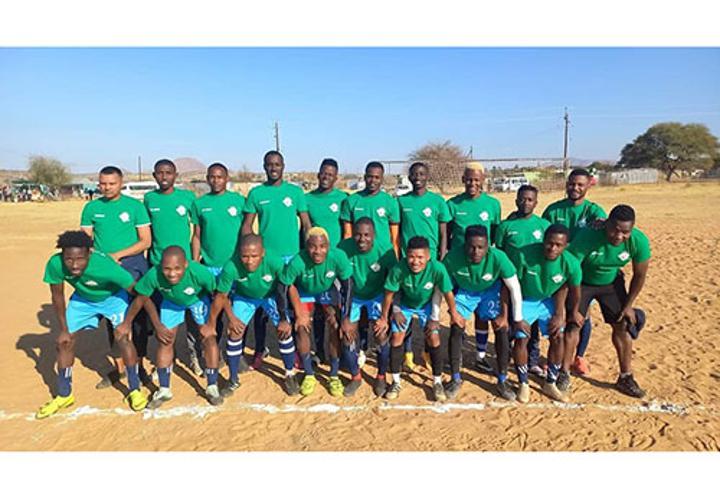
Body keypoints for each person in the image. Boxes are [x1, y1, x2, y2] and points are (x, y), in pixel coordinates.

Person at [36, 231, 148, 418]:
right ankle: (64, 395)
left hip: (113, 297)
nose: (74, 265)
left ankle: (135, 389)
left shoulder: (106, 266)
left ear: (89, 253)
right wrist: (64, 329)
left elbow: (138, 292)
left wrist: (128, 322)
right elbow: (57, 296)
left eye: (80, 259)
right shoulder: (55, 264)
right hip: (83, 300)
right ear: (62, 255)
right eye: (69, 259)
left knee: (123, 338)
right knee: (64, 342)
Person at [562, 204, 651, 398]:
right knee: (573, 325)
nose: (619, 236)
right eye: (615, 230)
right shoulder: (588, 236)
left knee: (623, 324)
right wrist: (574, 307)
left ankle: (625, 377)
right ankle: (564, 374)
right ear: (606, 224)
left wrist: (628, 306)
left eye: (625, 232)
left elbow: (639, 275)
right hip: (582, 282)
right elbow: (571, 269)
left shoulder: (638, 241)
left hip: (611, 283)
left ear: (632, 229)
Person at [80, 165, 152, 388]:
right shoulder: (91, 208)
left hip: (133, 265)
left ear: (121, 183)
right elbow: (85, 242)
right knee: (114, 316)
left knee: (137, 317)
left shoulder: (135, 207)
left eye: (112, 183)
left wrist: (117, 255)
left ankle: (139, 365)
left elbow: (145, 241)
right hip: (105, 268)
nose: (107, 187)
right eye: (103, 183)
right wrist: (103, 259)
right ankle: (119, 369)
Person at [125, 246, 221, 407]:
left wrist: (210, 324)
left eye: (177, 268)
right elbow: (142, 298)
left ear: (186, 265)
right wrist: (154, 325)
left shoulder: (199, 272)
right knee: (165, 340)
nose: (172, 273)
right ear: (160, 266)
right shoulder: (154, 274)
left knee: (209, 338)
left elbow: (219, 295)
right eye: (167, 269)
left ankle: (212, 386)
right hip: (171, 302)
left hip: (197, 299)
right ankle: (164, 389)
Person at [242, 150, 311, 369]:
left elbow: (306, 224)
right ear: (264, 167)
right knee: (262, 307)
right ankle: (260, 349)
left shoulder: (295, 192)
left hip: (292, 258)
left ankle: (299, 351)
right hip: (266, 259)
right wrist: (248, 250)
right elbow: (247, 225)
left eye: (277, 164)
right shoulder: (256, 193)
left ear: (283, 166)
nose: (273, 168)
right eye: (269, 164)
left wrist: (308, 250)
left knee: (292, 305)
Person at [209, 234, 300, 397]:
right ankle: (233, 379)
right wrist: (231, 319)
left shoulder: (274, 261)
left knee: (284, 330)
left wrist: (287, 317)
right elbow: (221, 295)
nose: (249, 261)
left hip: (271, 296)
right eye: (244, 256)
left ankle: (289, 374)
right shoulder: (231, 266)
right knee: (234, 332)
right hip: (245, 298)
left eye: (254, 256)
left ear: (263, 253)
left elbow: (287, 287)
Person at [443, 225, 524, 400]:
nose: (476, 252)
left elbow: (514, 287)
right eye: (471, 247)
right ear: (464, 245)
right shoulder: (452, 258)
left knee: (501, 328)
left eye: (481, 247)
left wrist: (514, 318)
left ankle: (502, 380)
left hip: (490, 291)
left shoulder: (499, 257)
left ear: (488, 246)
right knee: (456, 326)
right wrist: (450, 313)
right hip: (465, 292)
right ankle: (455, 378)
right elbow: (442, 288)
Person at [380, 236, 464, 401]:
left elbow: (447, 293)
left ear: (428, 256)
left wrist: (453, 313)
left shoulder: (437, 268)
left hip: (427, 305)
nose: (415, 261)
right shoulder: (398, 269)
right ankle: (395, 381)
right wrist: (388, 315)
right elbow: (389, 294)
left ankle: (437, 382)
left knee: (433, 337)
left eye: (420, 257)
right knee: (397, 337)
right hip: (404, 304)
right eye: (411, 257)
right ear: (406, 255)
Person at [542, 168, 607, 376]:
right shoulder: (553, 211)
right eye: (572, 184)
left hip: (583, 272)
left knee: (582, 314)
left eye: (580, 184)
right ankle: (555, 356)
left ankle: (579, 357)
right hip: (557, 270)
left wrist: (602, 225)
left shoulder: (594, 211)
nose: (575, 188)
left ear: (588, 186)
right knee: (556, 313)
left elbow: (604, 233)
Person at [509, 224, 582, 403]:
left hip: (548, 300)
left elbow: (573, 290)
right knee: (521, 337)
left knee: (558, 335)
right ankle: (523, 383)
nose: (553, 248)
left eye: (558, 245)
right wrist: (517, 316)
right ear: (543, 240)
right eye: (549, 243)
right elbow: (512, 286)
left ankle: (550, 382)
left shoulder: (571, 263)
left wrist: (564, 314)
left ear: (565, 246)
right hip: (525, 299)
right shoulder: (523, 255)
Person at [279, 227, 354, 397]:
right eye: (312, 246)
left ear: (328, 246)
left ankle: (333, 375)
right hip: (305, 292)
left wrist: (346, 317)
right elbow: (283, 287)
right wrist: (289, 315)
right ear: (306, 246)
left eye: (322, 246)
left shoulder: (338, 257)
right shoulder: (297, 261)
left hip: (327, 291)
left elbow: (348, 285)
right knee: (301, 327)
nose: (318, 251)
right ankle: (309, 374)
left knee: (335, 325)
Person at [189, 163, 244, 376]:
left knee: (236, 311)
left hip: (234, 267)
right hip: (210, 268)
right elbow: (197, 235)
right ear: (207, 179)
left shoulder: (239, 201)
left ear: (226, 178)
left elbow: (246, 231)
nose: (216, 180)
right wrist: (195, 262)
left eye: (220, 177)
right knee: (213, 313)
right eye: (212, 177)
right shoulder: (200, 204)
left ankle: (236, 354)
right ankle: (213, 353)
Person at [447, 162, 502, 374]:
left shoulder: (493, 205)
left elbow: (494, 235)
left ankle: (480, 355)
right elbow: (448, 235)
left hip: (482, 267)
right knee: (457, 313)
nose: (472, 183)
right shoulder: (452, 204)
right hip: (459, 268)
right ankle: (457, 355)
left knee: (482, 314)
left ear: (483, 180)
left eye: (476, 180)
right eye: (469, 179)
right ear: (463, 180)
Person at [495, 184, 551, 377]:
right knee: (510, 321)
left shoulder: (543, 225)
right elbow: (499, 253)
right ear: (516, 200)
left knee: (531, 325)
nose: (525, 203)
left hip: (534, 283)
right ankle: (507, 356)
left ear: (536, 203)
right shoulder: (505, 226)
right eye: (522, 199)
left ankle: (532, 360)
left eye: (530, 199)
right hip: (510, 282)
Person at [338, 217, 397, 397]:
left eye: (366, 235)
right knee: (347, 335)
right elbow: (338, 281)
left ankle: (381, 376)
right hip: (353, 296)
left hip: (377, 295)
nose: (362, 239)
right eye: (357, 235)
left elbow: (394, 280)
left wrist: (388, 313)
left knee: (381, 333)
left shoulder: (385, 250)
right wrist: (344, 316)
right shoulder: (343, 248)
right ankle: (355, 377)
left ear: (374, 235)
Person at [305, 157, 348, 365]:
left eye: (330, 175)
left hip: (335, 263)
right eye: (323, 173)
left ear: (336, 177)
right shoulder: (307, 199)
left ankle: (338, 353)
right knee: (317, 310)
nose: (326, 177)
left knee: (335, 309)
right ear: (318, 174)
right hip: (314, 261)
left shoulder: (343, 199)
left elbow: (347, 230)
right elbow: (304, 229)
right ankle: (319, 351)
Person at [340, 161, 400, 257]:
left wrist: (395, 259)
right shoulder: (351, 200)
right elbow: (347, 234)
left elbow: (395, 238)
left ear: (382, 179)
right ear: (365, 177)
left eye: (377, 177)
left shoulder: (390, 202)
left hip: (383, 255)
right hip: (358, 254)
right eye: (370, 177)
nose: (373, 180)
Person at [144, 159, 196, 267]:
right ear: (154, 175)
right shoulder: (149, 198)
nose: (164, 177)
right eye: (160, 173)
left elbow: (198, 227)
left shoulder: (187, 197)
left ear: (175, 175)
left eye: (168, 173)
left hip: (183, 259)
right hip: (157, 259)